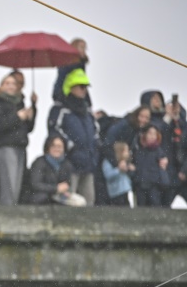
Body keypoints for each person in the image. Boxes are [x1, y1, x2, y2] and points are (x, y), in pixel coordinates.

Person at [0, 73, 35, 205]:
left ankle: (12, 212)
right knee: (8, 186)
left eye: (13, 83)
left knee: (17, 186)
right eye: (7, 83)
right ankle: (6, 214)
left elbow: (28, 128)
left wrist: (34, 108)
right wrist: (17, 117)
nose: (11, 86)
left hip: (20, 146)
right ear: (1, 86)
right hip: (5, 147)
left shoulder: (20, 103)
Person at [54, 68, 99, 206]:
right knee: (70, 202)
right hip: (70, 165)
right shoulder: (61, 110)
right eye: (81, 87)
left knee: (89, 202)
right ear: (70, 87)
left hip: (88, 164)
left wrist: (95, 151)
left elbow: (96, 133)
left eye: (85, 87)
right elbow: (55, 131)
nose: (84, 90)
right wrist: (70, 147)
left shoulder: (88, 112)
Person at [25, 135, 86, 206]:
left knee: (80, 201)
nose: (57, 149)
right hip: (41, 195)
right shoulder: (39, 162)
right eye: (53, 146)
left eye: (59, 146)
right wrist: (55, 188)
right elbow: (35, 184)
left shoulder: (67, 164)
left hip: (59, 195)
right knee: (42, 198)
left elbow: (67, 183)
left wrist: (66, 190)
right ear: (48, 147)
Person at [131, 124, 170, 207]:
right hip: (140, 185)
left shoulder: (159, 151)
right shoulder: (138, 150)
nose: (152, 136)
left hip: (154, 186)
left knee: (155, 206)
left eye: (154, 134)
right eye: (150, 133)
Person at [101, 141, 134, 206]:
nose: (128, 153)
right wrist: (119, 170)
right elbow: (108, 176)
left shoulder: (125, 162)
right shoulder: (108, 162)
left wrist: (130, 170)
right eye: (126, 151)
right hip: (115, 193)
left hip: (126, 190)